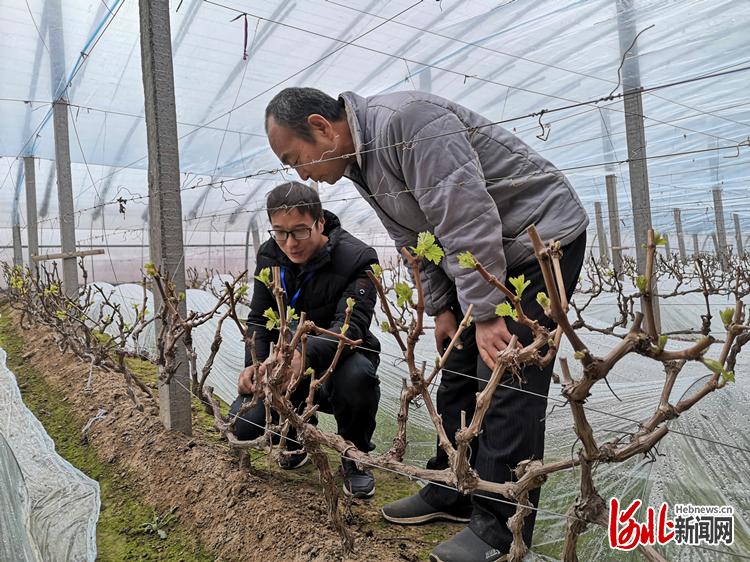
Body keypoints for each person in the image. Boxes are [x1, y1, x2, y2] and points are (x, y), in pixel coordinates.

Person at [264, 88, 589, 561]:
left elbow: (465, 212)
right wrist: (442, 307)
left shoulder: (408, 124)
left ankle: (499, 531)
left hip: (538, 241)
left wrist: (485, 311)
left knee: (507, 371)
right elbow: (413, 235)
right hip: (483, 255)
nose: (302, 175)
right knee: (458, 362)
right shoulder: (360, 160)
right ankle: (454, 487)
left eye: (297, 159)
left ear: (321, 127)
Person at [229, 181, 382, 499]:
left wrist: (304, 355)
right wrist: (256, 366)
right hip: (288, 359)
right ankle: (295, 434)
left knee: (359, 377)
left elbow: (350, 329)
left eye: (299, 231)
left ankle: (355, 456)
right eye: (280, 232)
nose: (289, 243)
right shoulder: (270, 256)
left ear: (320, 222)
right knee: (241, 427)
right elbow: (259, 319)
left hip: (341, 359)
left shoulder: (359, 259)